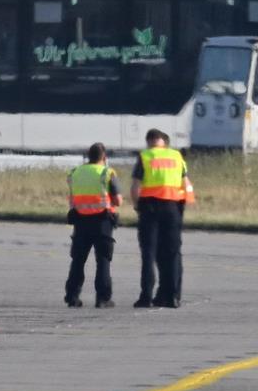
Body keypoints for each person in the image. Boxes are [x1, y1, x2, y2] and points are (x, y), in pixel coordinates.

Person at [131, 129, 194, 309]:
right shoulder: (177, 157)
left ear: (148, 141)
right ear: (165, 142)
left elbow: (136, 186)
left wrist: (137, 206)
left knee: (149, 253)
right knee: (173, 253)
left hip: (150, 208)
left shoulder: (146, 156)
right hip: (173, 208)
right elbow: (186, 184)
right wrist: (181, 209)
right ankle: (172, 297)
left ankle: (146, 297)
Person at [64, 142, 123, 308]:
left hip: (81, 221)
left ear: (88, 156)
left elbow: (73, 196)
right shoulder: (107, 172)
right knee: (103, 260)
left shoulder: (75, 173)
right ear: (104, 157)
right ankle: (103, 298)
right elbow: (118, 200)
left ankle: (72, 297)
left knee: (78, 260)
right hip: (102, 222)